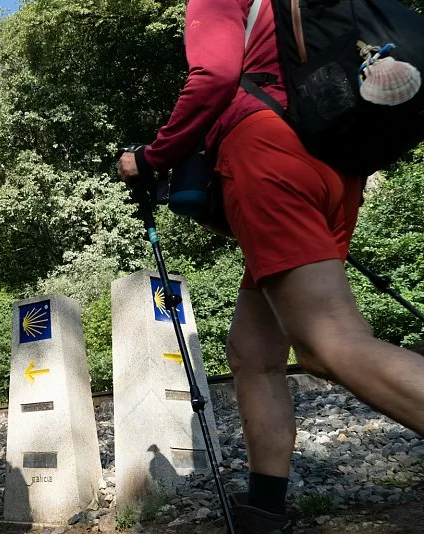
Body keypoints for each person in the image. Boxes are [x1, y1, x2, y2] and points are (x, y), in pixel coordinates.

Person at [117, 0, 424, 532]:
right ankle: (264, 510)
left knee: (329, 345)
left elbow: (213, 76)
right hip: (333, 167)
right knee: (253, 353)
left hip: (269, 158)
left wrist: (150, 157)